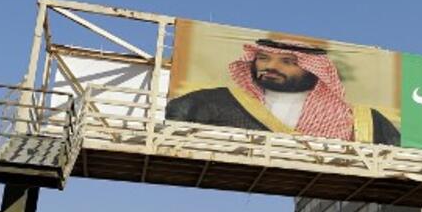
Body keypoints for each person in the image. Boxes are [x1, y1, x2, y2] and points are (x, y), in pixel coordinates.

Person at [166, 37, 400, 145]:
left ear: (315, 71)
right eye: (264, 58)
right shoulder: (211, 101)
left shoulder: (366, 121)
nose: (270, 67)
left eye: (288, 62)